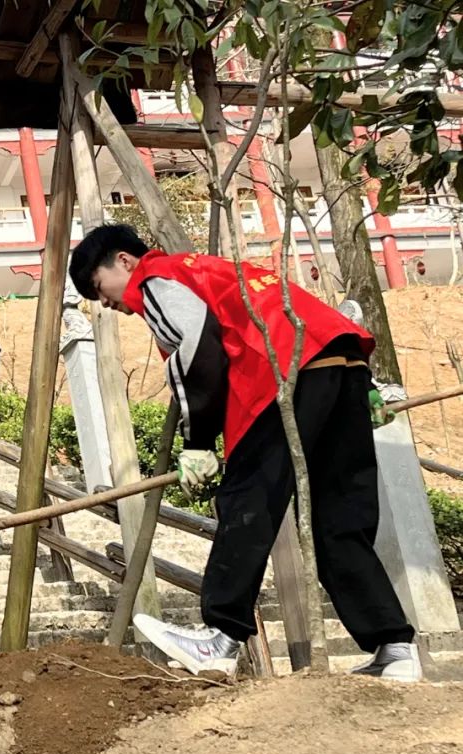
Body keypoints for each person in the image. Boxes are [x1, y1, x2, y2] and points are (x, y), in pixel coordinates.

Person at [68, 223, 420, 682]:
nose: (109, 304)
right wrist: (364, 385)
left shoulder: (157, 278)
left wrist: (197, 443)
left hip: (281, 377)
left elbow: (198, 349)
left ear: (124, 261)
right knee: (337, 519)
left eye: (100, 289)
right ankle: (393, 646)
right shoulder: (219, 270)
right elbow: (300, 313)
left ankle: (221, 636)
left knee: (247, 500)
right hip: (341, 363)